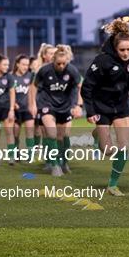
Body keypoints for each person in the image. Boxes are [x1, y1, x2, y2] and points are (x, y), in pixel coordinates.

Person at [81, 18, 129, 196]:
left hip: (121, 108)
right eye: (122, 50)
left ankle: (112, 184)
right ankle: (97, 135)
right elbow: (87, 87)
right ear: (115, 47)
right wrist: (90, 111)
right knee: (107, 150)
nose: (126, 53)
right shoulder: (102, 61)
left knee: (124, 146)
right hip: (101, 108)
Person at [29, 45, 83, 176]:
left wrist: (78, 105)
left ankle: (64, 162)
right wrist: (33, 105)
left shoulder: (72, 70)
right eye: (58, 63)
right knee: (51, 134)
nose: (61, 66)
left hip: (65, 106)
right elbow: (33, 86)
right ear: (53, 60)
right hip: (47, 105)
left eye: (64, 63)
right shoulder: (44, 70)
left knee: (62, 136)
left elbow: (80, 86)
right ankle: (54, 165)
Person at [12, 54, 35, 157]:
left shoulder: (31, 76)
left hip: (27, 109)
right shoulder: (11, 77)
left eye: (27, 65)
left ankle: (30, 155)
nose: (25, 67)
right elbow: (7, 93)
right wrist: (13, 104)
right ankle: (16, 154)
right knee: (15, 134)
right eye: (23, 64)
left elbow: (33, 91)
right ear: (17, 64)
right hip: (16, 110)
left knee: (30, 132)